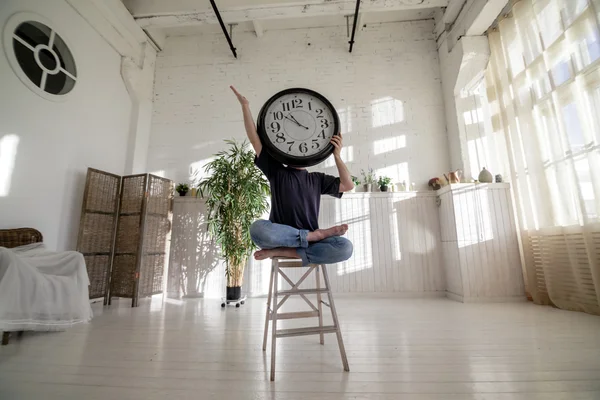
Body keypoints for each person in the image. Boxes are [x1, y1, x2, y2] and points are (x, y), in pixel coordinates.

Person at [230, 86, 354, 266]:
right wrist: (245, 106)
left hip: (303, 241)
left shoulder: (317, 179)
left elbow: (348, 185)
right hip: (283, 237)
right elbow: (255, 139)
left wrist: (337, 155)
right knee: (257, 229)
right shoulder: (277, 171)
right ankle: (309, 238)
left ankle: (286, 250)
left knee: (345, 247)